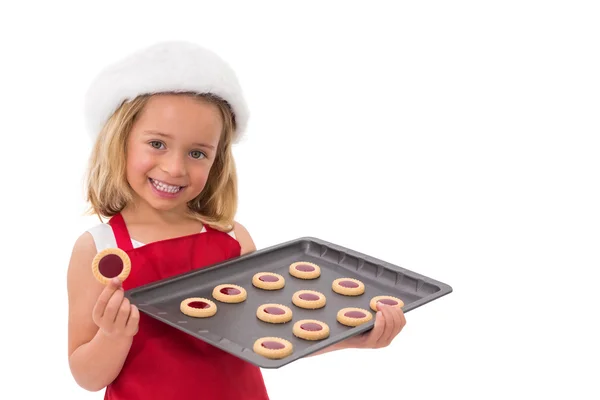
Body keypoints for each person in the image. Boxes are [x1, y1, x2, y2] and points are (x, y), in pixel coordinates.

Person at [66, 40, 406, 400]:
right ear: (120, 141)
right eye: (157, 144)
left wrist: (350, 337)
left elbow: (269, 337)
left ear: (217, 162)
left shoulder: (232, 239)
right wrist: (112, 336)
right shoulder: (100, 251)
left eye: (197, 152)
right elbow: (87, 376)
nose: (175, 167)